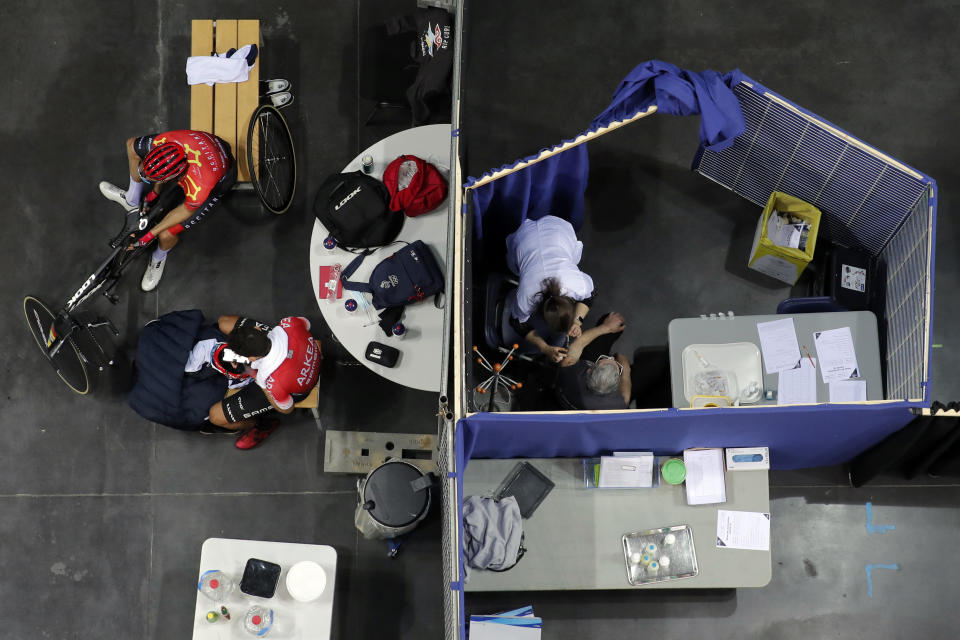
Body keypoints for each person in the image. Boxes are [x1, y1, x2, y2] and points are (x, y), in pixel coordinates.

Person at [99, 129, 237, 291]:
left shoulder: (199, 186)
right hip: (202, 145)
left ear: (175, 177)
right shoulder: (166, 140)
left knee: (166, 234)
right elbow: (133, 144)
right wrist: (155, 191)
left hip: (221, 178)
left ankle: (159, 257)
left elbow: (185, 211)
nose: (146, 179)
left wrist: (149, 236)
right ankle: (132, 200)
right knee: (132, 147)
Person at [203, 315, 321, 449]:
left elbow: (287, 409)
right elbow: (306, 324)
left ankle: (262, 425)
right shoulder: (288, 323)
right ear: (257, 329)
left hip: (293, 388)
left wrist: (261, 383)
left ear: (251, 358)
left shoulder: (271, 382)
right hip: (305, 359)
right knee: (224, 322)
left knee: (215, 416)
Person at [505, 216, 595, 363]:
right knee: (516, 268)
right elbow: (516, 323)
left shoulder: (576, 284)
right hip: (529, 236)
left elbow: (590, 295)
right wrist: (544, 347)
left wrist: (578, 321)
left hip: (557, 230)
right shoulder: (526, 297)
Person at [555, 311, 631, 410]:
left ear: (589, 370)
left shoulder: (570, 372)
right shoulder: (616, 405)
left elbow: (579, 344)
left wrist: (606, 327)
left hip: (563, 396)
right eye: (616, 366)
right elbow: (626, 398)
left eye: (606, 359)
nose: (612, 357)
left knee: (607, 321)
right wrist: (626, 372)